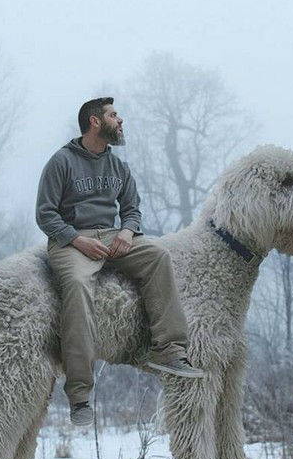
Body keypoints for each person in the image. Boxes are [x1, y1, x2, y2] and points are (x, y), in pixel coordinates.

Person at [36, 97, 204, 426]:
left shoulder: (118, 166)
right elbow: (45, 214)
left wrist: (128, 232)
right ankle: (80, 394)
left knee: (158, 257)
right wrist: (76, 239)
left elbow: (132, 208)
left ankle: (169, 351)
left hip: (114, 236)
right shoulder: (61, 162)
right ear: (95, 122)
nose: (121, 120)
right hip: (72, 240)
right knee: (78, 286)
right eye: (114, 115)